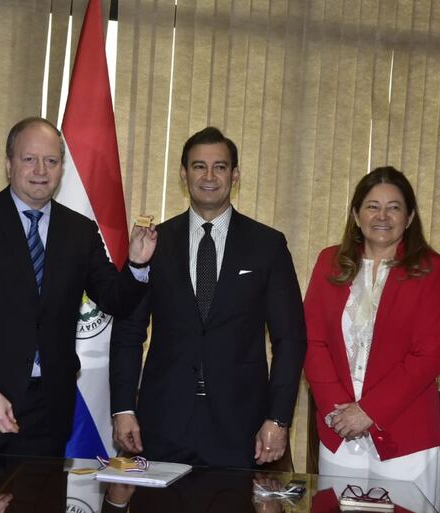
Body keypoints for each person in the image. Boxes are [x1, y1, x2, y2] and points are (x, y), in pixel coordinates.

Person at [0, 117, 157, 502]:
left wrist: (136, 265)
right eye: (29, 159)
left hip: (45, 416)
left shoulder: (79, 232)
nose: (40, 171)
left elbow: (115, 299)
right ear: (9, 163)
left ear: (62, 168)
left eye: (50, 161)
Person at [110, 126, 306, 468]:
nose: (210, 175)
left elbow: (289, 340)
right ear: (185, 174)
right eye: (199, 166)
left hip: (241, 427)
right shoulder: (155, 243)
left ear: (235, 174)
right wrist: (124, 407)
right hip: (163, 424)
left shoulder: (268, 246)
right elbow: (129, 332)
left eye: (220, 166)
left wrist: (278, 419)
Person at [303, 167, 440, 510]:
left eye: (394, 207)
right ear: (356, 215)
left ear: (410, 216)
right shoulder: (330, 262)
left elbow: (429, 355)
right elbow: (312, 340)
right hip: (340, 429)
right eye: (372, 206)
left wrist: (369, 411)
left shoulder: (432, 269)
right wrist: (339, 411)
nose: (382, 216)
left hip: (407, 434)